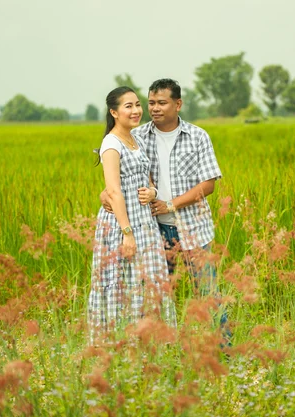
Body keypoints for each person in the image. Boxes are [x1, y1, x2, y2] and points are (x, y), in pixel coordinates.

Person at [101, 78, 230, 343]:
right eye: (150, 103)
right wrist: (106, 195)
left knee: (208, 294)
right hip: (153, 231)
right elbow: (117, 177)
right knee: (156, 295)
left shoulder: (197, 136)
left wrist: (171, 204)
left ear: (178, 104)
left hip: (193, 228)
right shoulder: (136, 135)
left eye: (162, 103)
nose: (154, 108)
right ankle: (162, 351)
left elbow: (208, 185)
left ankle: (224, 352)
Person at [88, 86, 176, 345]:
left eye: (138, 104)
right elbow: (113, 191)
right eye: (129, 106)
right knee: (123, 282)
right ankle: (119, 344)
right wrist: (127, 234)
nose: (137, 110)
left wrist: (152, 191)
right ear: (114, 112)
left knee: (149, 281)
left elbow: (146, 179)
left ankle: (152, 342)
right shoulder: (111, 143)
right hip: (122, 224)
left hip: (145, 221)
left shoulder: (134, 139)